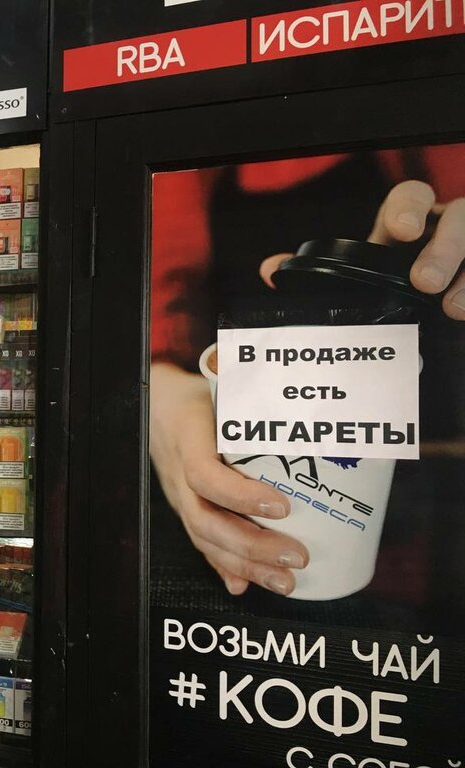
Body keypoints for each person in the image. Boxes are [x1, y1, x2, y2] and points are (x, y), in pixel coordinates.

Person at [150, 147, 465, 597]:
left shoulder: (437, 142)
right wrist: (161, 396)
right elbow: (141, 314)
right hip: (215, 528)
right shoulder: (167, 156)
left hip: (430, 507)